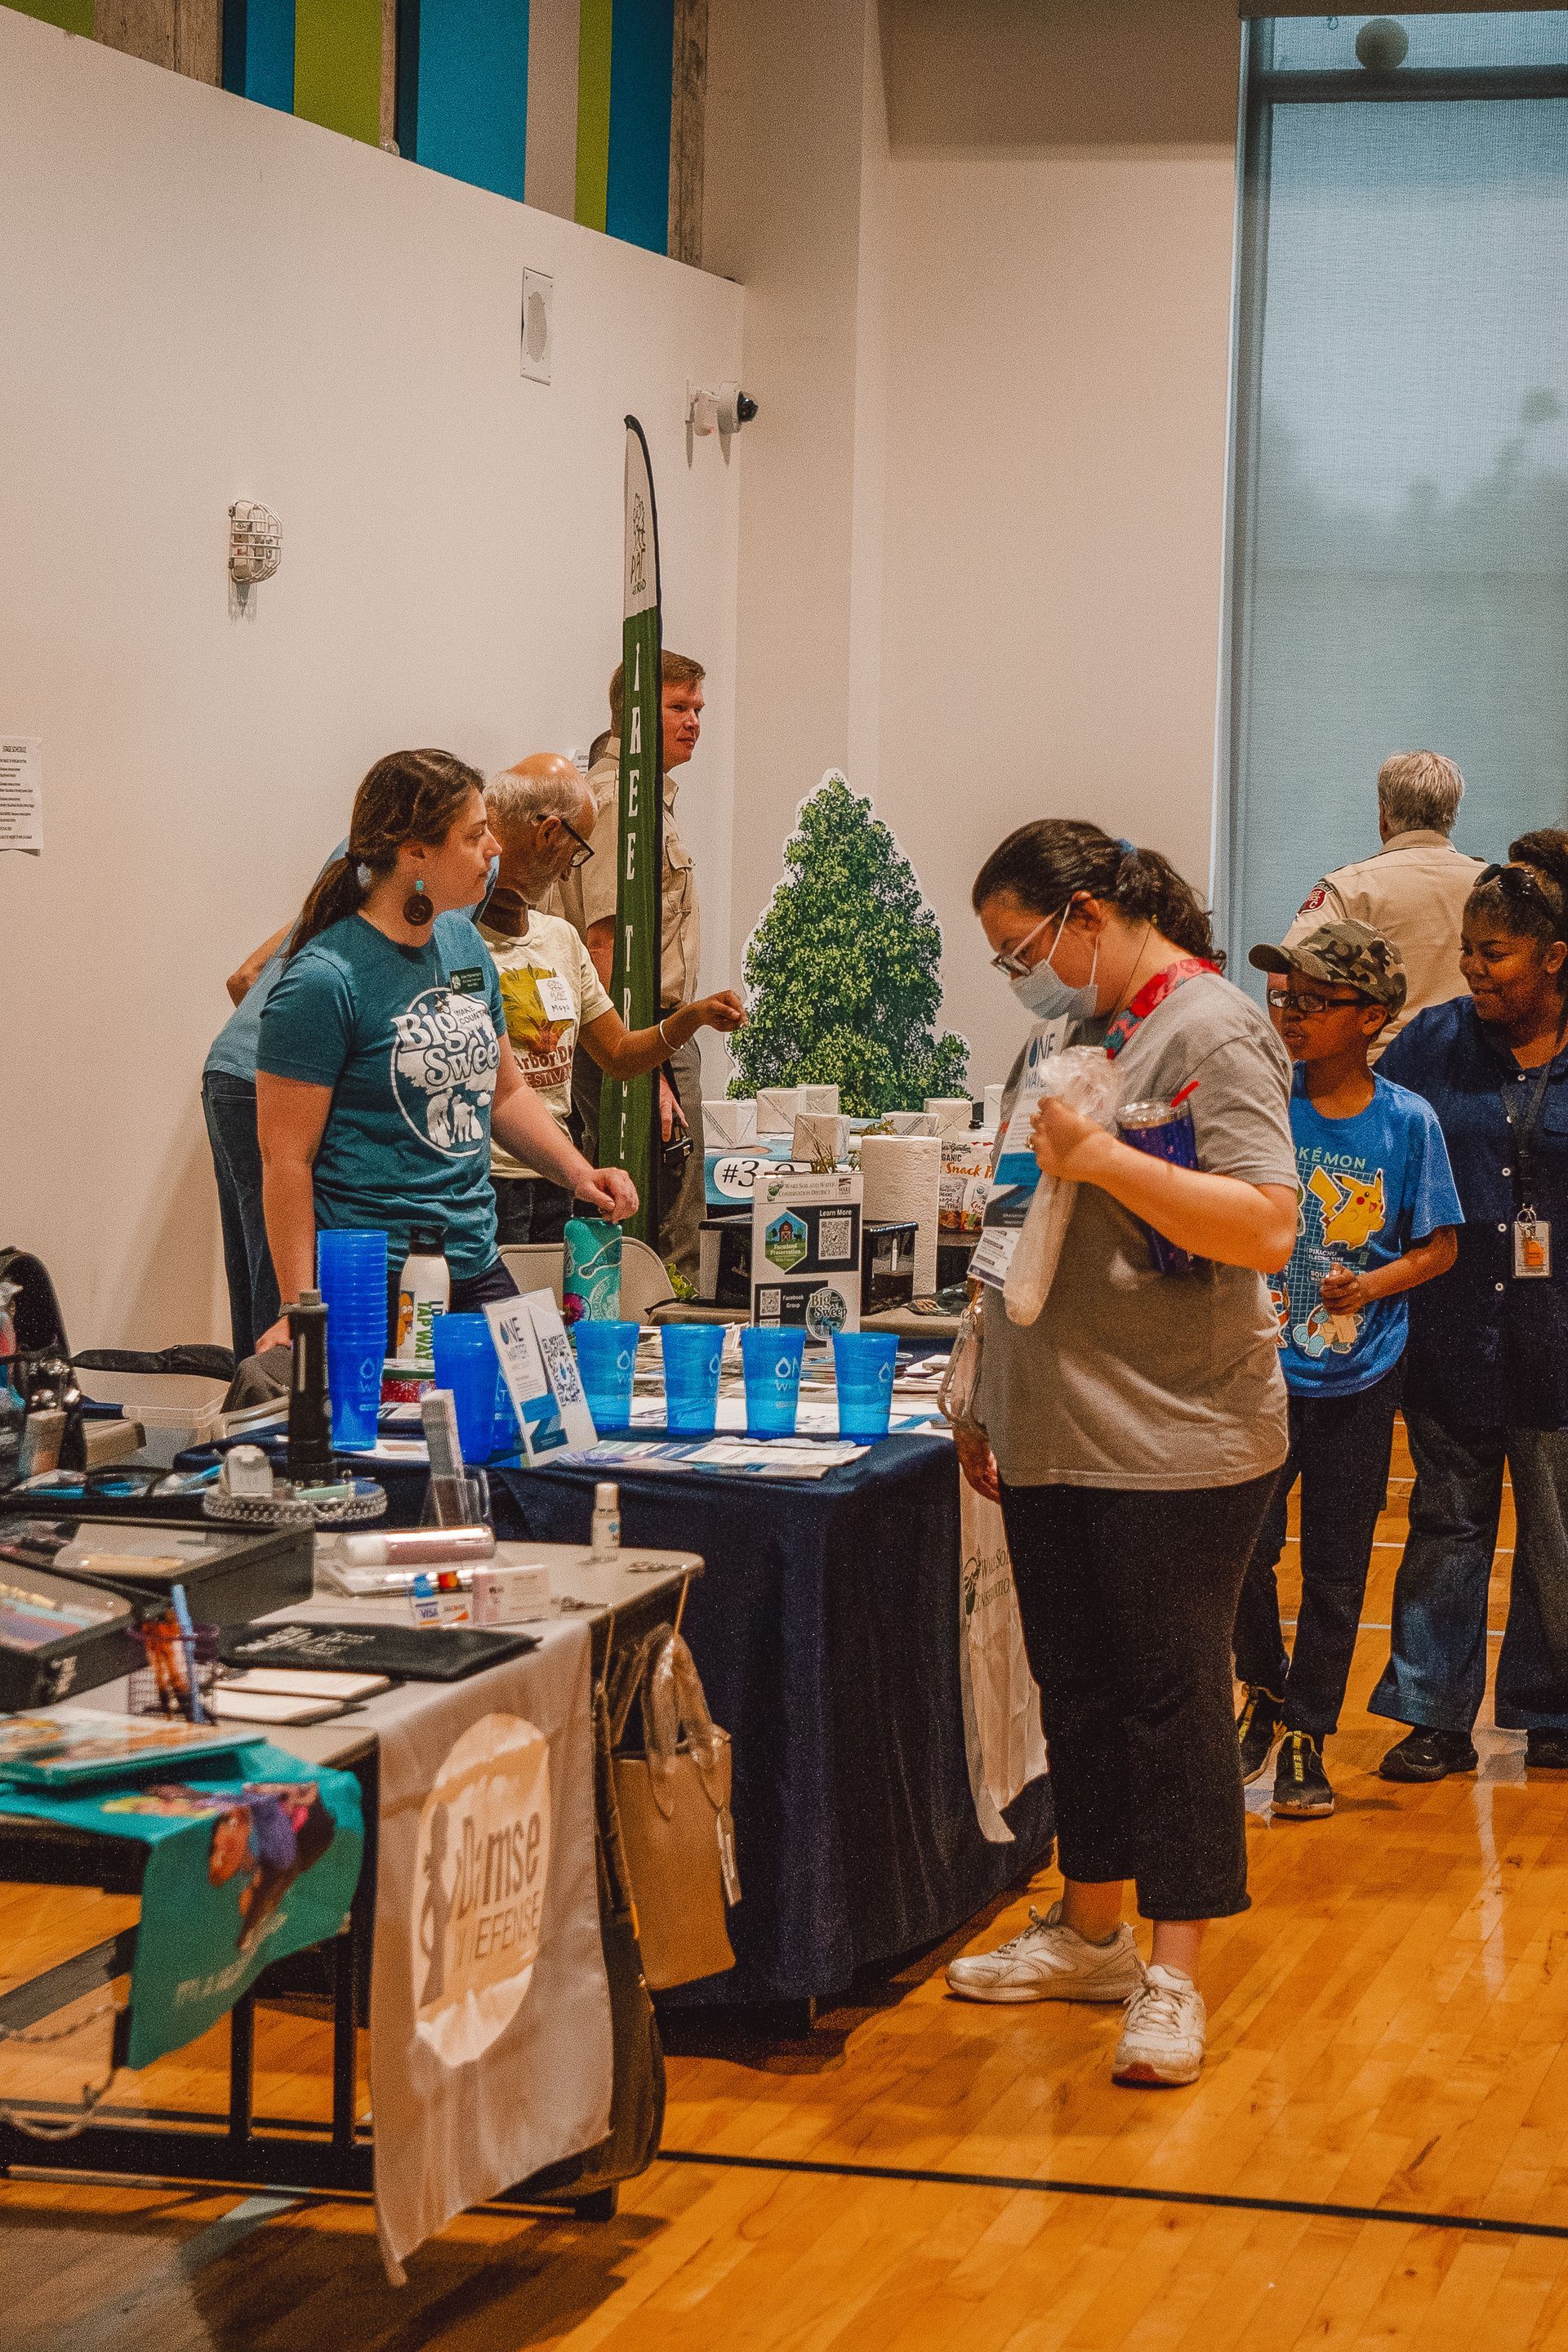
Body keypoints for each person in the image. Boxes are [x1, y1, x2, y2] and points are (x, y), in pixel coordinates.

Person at [947, 822, 1298, 2089]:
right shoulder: (1062, 1037)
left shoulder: (1207, 1029)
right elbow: (1013, 1215)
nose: (1017, 977)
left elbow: (1267, 1224)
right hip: (1053, 1428)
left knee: (1171, 1700)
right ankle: (1091, 1930)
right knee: (1078, 1691)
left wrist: (1100, 1158)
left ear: (1086, 916)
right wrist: (978, 1388)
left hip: (1177, 1438)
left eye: (1020, 949)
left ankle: (1174, 1974)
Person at [252, 750, 636, 1352]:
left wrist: (579, 1173)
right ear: (415, 854)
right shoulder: (325, 979)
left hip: (472, 1255)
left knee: (542, 1413)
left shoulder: (463, 944)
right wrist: (298, 1308)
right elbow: (285, 1161)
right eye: (475, 835)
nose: (495, 849)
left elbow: (506, 1094)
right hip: (373, 1277)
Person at [1233, 923, 1461, 1820]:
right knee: (1244, 1555)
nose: (1289, 1016)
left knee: (1336, 1568)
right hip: (1256, 1375)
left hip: (1362, 1379)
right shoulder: (1260, 1107)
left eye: (1313, 1002)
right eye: (1282, 997)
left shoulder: (1408, 1121)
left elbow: (1439, 1246)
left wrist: (1369, 1285)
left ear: (1371, 1017)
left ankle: (1306, 1735)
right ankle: (1266, 1683)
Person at [1368, 831, 1568, 1780]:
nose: (1473, 968)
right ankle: (1432, 1713)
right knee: (1447, 1522)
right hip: (1450, 1329)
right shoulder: (1434, 1040)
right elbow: (1375, 1141)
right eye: (1470, 949)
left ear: (1555, 958)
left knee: (1558, 1527)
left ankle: (1551, 1709)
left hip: (1558, 1332)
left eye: (1496, 953)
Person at [480, 755, 745, 1243]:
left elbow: (619, 1054)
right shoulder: (454, 940)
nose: (567, 875)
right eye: (577, 852)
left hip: (554, 1178)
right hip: (485, 1185)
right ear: (549, 834)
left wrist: (691, 1018)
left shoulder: (560, 938)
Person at [558, 652, 709, 1279]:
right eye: (679, 708)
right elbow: (604, 945)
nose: (694, 723)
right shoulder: (621, 799)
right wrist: (652, 1067)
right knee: (665, 1220)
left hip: (651, 1031)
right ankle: (661, 1357)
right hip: (639, 1031)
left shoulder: (646, 797)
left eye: (699, 709)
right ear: (637, 715)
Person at [202, 837, 345, 1358]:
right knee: (288, 1303)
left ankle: (254, 1430)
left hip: (229, 1069)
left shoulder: (360, 849)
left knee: (259, 1285)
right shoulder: (461, 873)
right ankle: (276, 1427)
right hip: (268, 1078)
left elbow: (244, 977)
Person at [1283, 751, 1484, 1057]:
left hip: (1378, 1077)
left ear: (1383, 814)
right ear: (1452, 815)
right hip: (1477, 1073)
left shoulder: (1349, 887)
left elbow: (1286, 973)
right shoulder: (1491, 887)